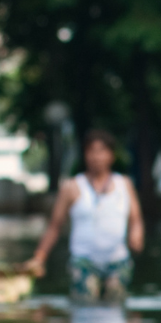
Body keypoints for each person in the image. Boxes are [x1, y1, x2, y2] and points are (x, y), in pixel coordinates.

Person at [24, 129, 144, 301]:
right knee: (86, 303)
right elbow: (55, 226)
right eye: (91, 151)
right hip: (84, 260)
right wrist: (39, 257)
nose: (96, 157)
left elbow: (135, 220)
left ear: (111, 155)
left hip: (117, 260)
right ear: (85, 155)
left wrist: (136, 237)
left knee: (115, 303)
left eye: (102, 151)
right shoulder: (71, 187)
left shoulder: (124, 184)